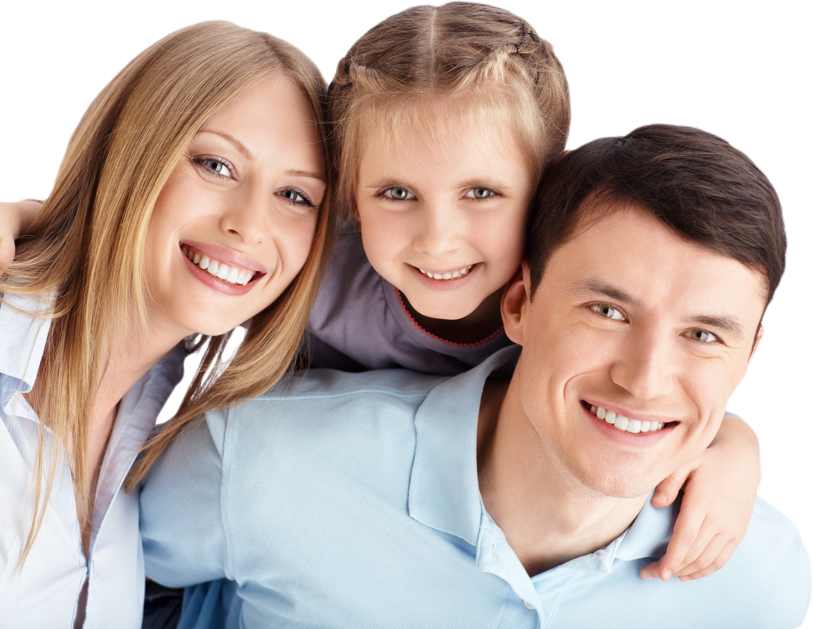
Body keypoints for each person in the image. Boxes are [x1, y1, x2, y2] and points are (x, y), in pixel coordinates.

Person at [1, 3, 765, 583]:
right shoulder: (317, 270)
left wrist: (733, 444)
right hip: (272, 505)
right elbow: (191, 242)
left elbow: (650, 377)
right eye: (396, 193)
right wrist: (42, 222)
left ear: (545, 194)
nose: (437, 240)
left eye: (481, 192)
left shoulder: (568, 312)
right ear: (348, 200)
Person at [139, 123, 809, 629]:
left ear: (750, 354)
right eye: (607, 311)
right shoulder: (254, 460)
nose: (645, 380)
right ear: (519, 304)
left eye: (703, 334)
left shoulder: (761, 585)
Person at [0, 20, 333, 628]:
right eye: (216, 164)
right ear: (133, 153)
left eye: (295, 196)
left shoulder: (157, 454)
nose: (249, 225)